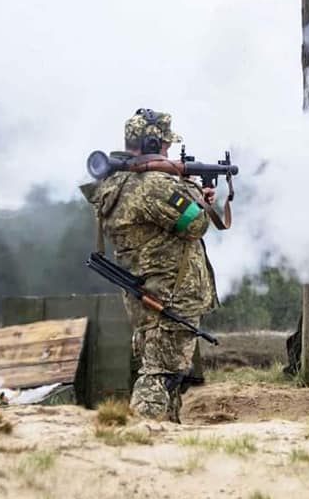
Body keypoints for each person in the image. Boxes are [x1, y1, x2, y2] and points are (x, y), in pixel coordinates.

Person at [82, 108, 220, 422]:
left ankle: (165, 436)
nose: (168, 151)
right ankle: (142, 435)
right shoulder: (154, 186)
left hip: (146, 292)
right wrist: (198, 196)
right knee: (160, 373)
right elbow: (195, 224)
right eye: (165, 145)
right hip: (170, 294)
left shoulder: (114, 183)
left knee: (165, 372)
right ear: (152, 142)